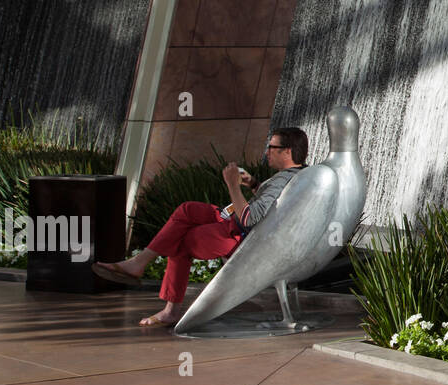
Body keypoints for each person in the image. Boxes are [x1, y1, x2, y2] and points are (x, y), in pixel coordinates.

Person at [93, 127, 309, 326]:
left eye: (272, 147)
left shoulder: (283, 180)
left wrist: (233, 185)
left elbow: (249, 218)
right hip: (234, 224)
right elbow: (271, 205)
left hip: (239, 235)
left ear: (287, 152)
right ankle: (139, 264)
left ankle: (169, 307)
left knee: (180, 242)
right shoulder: (298, 176)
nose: (267, 152)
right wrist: (253, 184)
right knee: (187, 210)